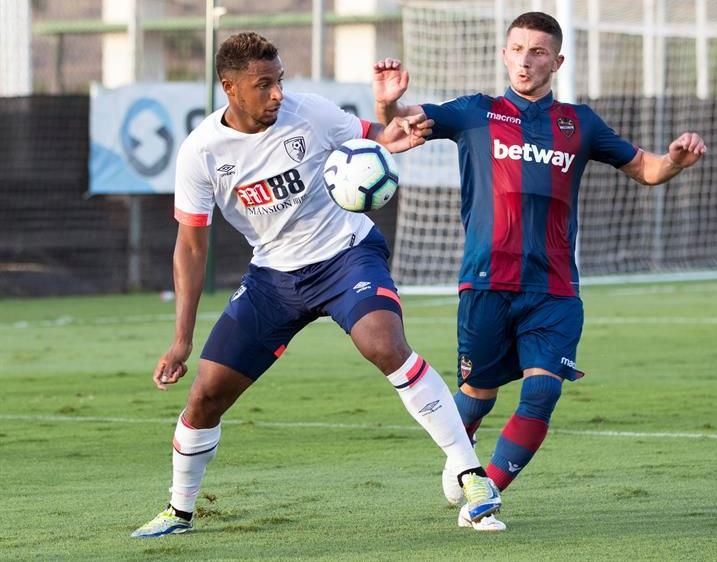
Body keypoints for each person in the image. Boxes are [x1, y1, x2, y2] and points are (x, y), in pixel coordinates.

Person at [131, 32, 502, 538]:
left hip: (347, 255)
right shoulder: (201, 152)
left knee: (384, 343)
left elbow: (379, 136)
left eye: (280, 80)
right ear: (230, 88)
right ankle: (179, 511)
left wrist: (388, 108)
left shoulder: (310, 112)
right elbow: (191, 247)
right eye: (264, 85)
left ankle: (471, 473)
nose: (278, 93)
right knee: (205, 396)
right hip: (273, 278)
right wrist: (180, 340)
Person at [373, 11, 706, 525]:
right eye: (517, 49)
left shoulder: (580, 123)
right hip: (486, 283)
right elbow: (399, 129)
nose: (525, 60)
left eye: (537, 51)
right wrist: (389, 100)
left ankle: (485, 493)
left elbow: (646, 168)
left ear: (557, 60)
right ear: (504, 53)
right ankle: (464, 455)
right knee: (476, 396)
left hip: (553, 287)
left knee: (544, 389)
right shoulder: (474, 113)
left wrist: (676, 160)